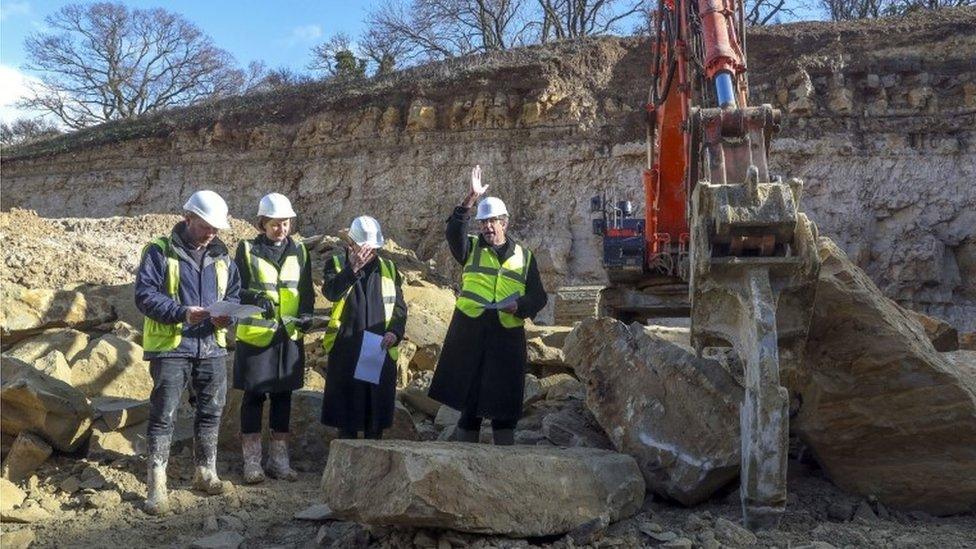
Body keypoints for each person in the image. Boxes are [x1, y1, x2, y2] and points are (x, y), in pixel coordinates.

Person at [134, 190, 241, 515]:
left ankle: (205, 471)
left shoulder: (223, 257)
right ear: (187, 218)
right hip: (171, 347)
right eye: (205, 226)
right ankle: (157, 485)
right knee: (163, 414)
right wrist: (181, 312)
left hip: (211, 346)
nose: (211, 233)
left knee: (211, 411)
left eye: (215, 229)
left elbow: (234, 294)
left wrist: (229, 315)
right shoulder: (159, 251)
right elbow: (144, 295)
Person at [428, 166, 548, 445]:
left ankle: (502, 463)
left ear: (504, 223)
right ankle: (465, 460)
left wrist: (519, 305)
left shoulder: (525, 257)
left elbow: (539, 297)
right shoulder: (469, 247)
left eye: (492, 221)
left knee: (504, 404)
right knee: (470, 404)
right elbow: (453, 230)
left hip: (506, 335)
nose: (487, 227)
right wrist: (470, 198)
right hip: (470, 331)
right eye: (483, 222)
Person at [233, 193, 314, 484]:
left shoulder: (300, 251)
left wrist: (306, 316)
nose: (281, 229)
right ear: (262, 224)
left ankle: (279, 461)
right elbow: (233, 289)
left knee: (283, 397)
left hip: (288, 335)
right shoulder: (246, 249)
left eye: (286, 223)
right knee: (253, 397)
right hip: (256, 337)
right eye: (275, 225)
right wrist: (253, 296)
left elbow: (306, 292)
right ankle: (252, 463)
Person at [320, 216, 406, 439]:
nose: (369, 253)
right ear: (352, 245)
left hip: (378, 349)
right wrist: (352, 268)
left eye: (374, 248)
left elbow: (399, 308)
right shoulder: (337, 264)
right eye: (364, 248)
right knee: (347, 415)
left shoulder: (389, 268)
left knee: (374, 415)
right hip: (347, 349)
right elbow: (330, 293)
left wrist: (394, 332)